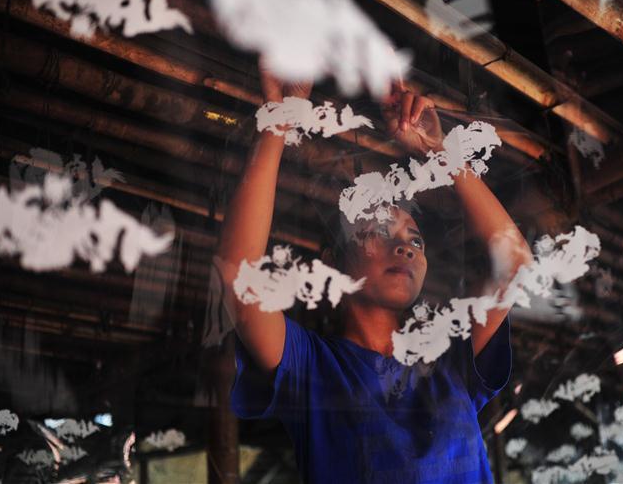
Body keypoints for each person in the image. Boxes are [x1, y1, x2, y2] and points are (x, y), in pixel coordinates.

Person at [214, 64, 534, 483]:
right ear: (334, 261)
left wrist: (438, 151)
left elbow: (515, 264)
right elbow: (240, 280)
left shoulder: (447, 362)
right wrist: (279, 118)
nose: (404, 247)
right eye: (377, 232)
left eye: (415, 240)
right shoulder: (312, 369)